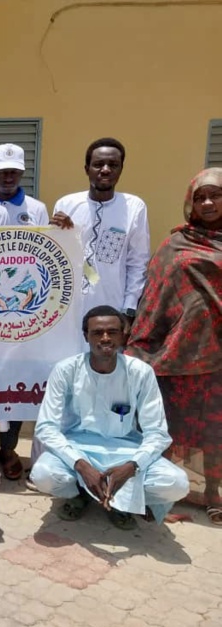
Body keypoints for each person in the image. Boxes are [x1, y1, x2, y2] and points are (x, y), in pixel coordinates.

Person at [30, 306, 189, 529]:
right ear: (86, 336)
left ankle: (119, 501)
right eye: (97, 333)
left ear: (123, 335)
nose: (105, 338)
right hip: (77, 448)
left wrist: (132, 466)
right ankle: (80, 495)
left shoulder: (140, 372)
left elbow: (157, 433)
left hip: (126, 451)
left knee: (177, 484)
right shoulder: (66, 370)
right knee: (43, 475)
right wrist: (81, 466)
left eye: (112, 332)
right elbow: (46, 427)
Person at [127, 168, 222, 525]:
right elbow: (154, 296)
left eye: (216, 195)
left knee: (215, 429)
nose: (208, 203)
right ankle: (160, 495)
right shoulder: (176, 244)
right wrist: (142, 343)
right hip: (176, 354)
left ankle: (213, 492)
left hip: (218, 357)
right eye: (200, 197)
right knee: (167, 426)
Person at [0, 143, 50, 479]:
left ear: (22, 173)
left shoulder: (37, 209)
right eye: (2, 172)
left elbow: (49, 253)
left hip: (22, 310)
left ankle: (8, 447)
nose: (7, 177)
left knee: (16, 378)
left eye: (13, 172)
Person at [51, 138, 150, 323]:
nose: (105, 170)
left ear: (121, 169)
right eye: (98, 164)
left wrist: (129, 309)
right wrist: (67, 234)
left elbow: (138, 263)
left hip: (112, 307)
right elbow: (56, 256)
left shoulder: (134, 207)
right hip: (68, 308)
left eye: (113, 165)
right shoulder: (66, 205)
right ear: (87, 169)